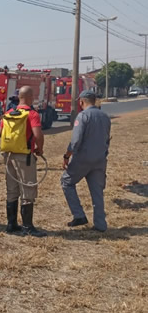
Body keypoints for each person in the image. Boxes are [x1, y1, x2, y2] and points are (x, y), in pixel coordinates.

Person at [61, 90, 111, 231]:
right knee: (97, 192)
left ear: (81, 101)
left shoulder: (83, 116)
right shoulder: (105, 116)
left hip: (83, 158)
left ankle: (79, 215)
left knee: (66, 182)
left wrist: (67, 156)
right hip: (100, 159)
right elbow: (107, 139)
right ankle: (100, 225)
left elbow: (76, 141)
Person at [2, 86, 45, 237]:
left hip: (8, 156)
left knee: (12, 190)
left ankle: (11, 224)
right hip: (25, 156)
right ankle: (27, 226)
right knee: (28, 189)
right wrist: (40, 149)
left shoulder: (8, 114)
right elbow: (37, 134)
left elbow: (1, 133)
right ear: (30, 97)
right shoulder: (32, 114)